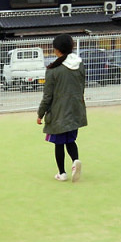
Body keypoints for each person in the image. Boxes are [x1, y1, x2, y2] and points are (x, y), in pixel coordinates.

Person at [37, 33, 88, 182]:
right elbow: (81, 87)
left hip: (58, 113)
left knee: (58, 143)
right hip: (75, 110)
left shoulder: (53, 70)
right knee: (70, 140)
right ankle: (75, 162)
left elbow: (48, 96)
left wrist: (40, 114)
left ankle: (62, 173)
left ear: (57, 49)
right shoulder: (79, 64)